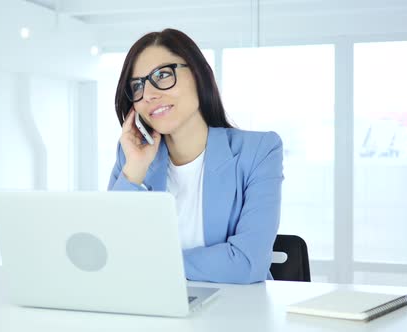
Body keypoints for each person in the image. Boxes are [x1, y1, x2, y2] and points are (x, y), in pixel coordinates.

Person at [107, 28, 283, 284]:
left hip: (235, 312)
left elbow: (247, 263)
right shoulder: (131, 158)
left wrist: (150, 263)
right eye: (137, 85)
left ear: (198, 75)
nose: (149, 94)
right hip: (152, 308)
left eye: (163, 75)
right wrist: (135, 168)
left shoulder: (258, 151)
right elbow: (110, 254)